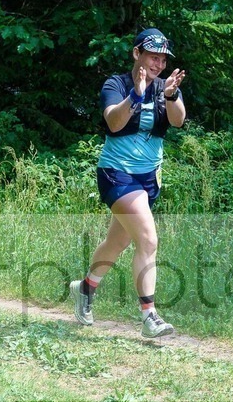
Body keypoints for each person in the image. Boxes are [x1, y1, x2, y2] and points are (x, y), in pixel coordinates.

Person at [69, 28, 186, 338]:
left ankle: (85, 288)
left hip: (149, 179)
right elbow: (113, 121)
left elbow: (178, 121)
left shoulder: (166, 86)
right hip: (116, 174)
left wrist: (171, 95)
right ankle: (149, 315)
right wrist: (136, 93)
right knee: (148, 239)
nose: (158, 64)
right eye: (153, 57)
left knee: (117, 242)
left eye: (163, 59)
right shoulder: (116, 84)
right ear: (137, 54)